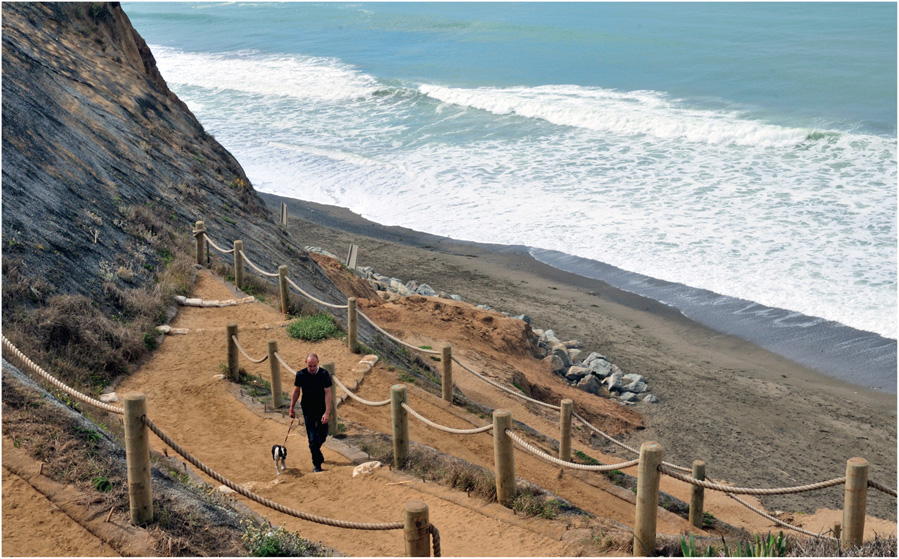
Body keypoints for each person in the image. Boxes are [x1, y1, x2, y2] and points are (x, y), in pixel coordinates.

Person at [289, 353, 332, 472]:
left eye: (314, 365)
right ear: (306, 363)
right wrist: (291, 407)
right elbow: (296, 391)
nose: (312, 368)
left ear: (318, 363)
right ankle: (317, 464)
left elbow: (328, 392)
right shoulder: (301, 375)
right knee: (312, 438)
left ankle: (316, 452)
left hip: (321, 408)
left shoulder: (324, 374)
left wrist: (327, 412)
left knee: (322, 435)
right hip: (308, 409)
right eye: (309, 366)